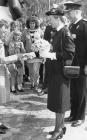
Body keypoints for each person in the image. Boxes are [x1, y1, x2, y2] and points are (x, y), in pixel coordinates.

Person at [40, 8, 75, 139]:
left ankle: (58, 129)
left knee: (60, 103)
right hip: (55, 72)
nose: (50, 23)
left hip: (61, 73)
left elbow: (70, 53)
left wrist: (52, 55)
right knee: (57, 102)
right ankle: (60, 127)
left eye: (50, 20)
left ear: (57, 18)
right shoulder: (58, 31)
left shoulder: (65, 32)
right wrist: (47, 52)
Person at [0, 19, 23, 134]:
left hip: (0, 70)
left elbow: (2, 60)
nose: (5, 31)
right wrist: (16, 57)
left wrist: (8, 68)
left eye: (6, 29)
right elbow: (1, 59)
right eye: (4, 28)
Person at [64, 1, 87, 127]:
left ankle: (80, 117)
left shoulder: (84, 25)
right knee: (73, 90)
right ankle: (73, 114)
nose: (68, 15)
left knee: (81, 91)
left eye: (69, 12)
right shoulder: (72, 26)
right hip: (72, 64)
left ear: (76, 12)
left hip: (83, 65)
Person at [22, 16, 44, 93]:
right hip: (28, 54)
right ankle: (32, 84)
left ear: (36, 23)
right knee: (31, 71)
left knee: (36, 71)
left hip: (38, 54)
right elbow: (22, 42)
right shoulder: (25, 32)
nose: (32, 25)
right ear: (28, 24)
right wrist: (23, 52)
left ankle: (37, 84)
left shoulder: (40, 31)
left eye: (33, 23)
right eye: (30, 23)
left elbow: (43, 42)